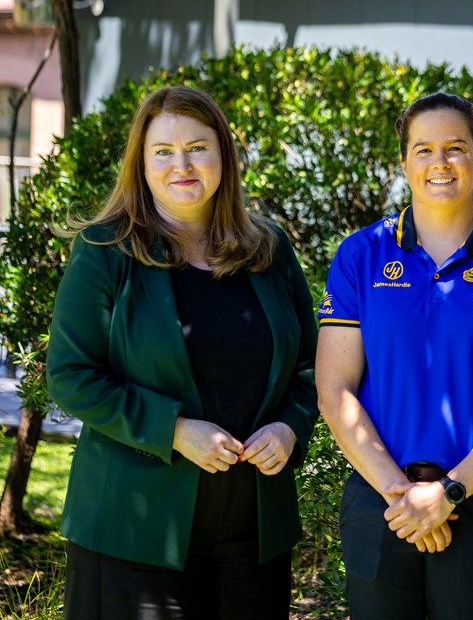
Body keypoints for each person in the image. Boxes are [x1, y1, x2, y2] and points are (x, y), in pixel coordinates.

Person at [46, 85, 318, 619]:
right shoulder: (107, 249)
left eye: (197, 147)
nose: (182, 165)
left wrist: (290, 426)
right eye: (163, 152)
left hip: (253, 536)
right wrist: (173, 430)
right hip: (134, 532)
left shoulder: (269, 248)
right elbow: (72, 374)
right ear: (141, 164)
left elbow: (312, 365)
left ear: (223, 155)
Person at [315, 92, 473, 619]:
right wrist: (400, 495)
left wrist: (446, 495)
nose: (440, 162)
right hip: (381, 498)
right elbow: (335, 390)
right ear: (404, 163)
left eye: (455, 147)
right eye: (423, 150)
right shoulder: (360, 255)